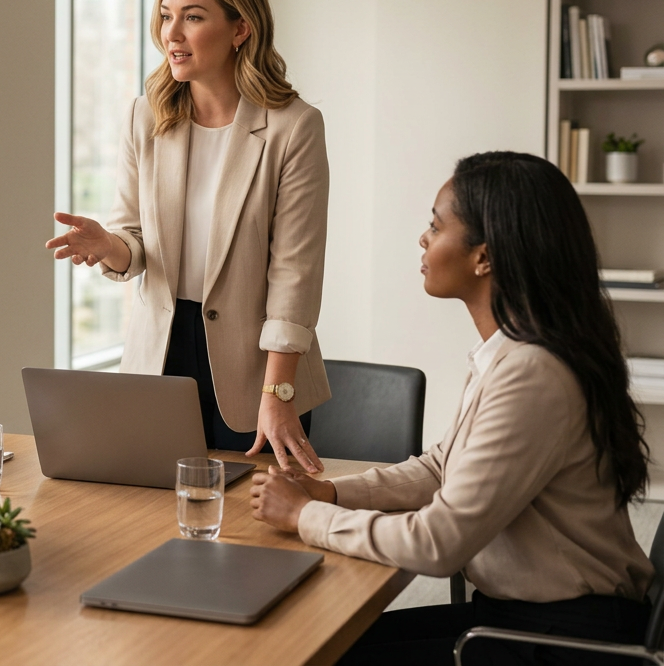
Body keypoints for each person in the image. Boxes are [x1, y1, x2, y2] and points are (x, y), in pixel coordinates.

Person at [250, 151, 654, 665]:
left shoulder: (533, 373)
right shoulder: (509, 352)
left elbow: (439, 543)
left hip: (567, 639)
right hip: (524, 616)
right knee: (323, 640)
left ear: (483, 257)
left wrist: (307, 515)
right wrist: (330, 491)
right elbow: (441, 466)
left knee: (319, 652)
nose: (423, 239)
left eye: (436, 226)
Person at [47, 0, 331, 471]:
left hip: (259, 366)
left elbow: (296, 272)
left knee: (254, 527)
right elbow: (132, 237)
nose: (171, 33)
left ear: (240, 27)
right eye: (165, 15)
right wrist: (109, 245)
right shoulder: (145, 116)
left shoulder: (294, 127)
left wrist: (279, 391)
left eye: (193, 17)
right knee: (148, 520)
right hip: (159, 357)